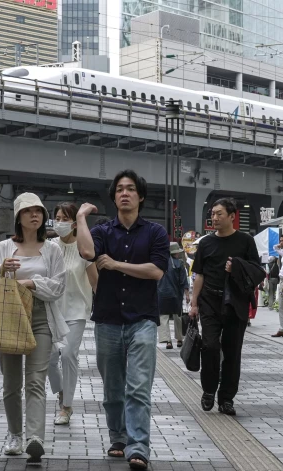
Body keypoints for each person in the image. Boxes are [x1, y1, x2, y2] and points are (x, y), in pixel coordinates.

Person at [77, 170, 170, 470]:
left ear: (140, 196)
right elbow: (87, 251)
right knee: (113, 387)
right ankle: (118, 437)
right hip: (107, 318)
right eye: (119, 190)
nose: (124, 194)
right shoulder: (103, 231)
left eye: (130, 189)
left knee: (139, 386)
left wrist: (117, 264)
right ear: (114, 196)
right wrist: (81, 218)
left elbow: (156, 271)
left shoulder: (155, 232)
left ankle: (139, 446)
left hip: (142, 318)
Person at [0, 193, 67, 464]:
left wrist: (32, 283)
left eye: (38, 211)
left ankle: (35, 437)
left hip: (40, 316)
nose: (34, 215)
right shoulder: (4, 247)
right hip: (9, 316)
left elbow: (58, 286)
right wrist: (2, 270)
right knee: (11, 382)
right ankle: (14, 435)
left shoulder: (53, 249)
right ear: (18, 217)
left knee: (36, 379)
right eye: (28, 211)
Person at [190, 198, 261, 417]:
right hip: (210, 301)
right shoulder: (205, 243)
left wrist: (238, 267)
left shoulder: (245, 241)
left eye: (219, 213)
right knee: (210, 346)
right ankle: (209, 390)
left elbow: (257, 271)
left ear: (232, 216)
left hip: (235, 302)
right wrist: (193, 303)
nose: (215, 217)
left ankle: (227, 398)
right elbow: (199, 274)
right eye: (212, 213)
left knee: (232, 352)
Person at [47, 202, 98, 426]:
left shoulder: (84, 249)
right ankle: (60, 391)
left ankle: (66, 406)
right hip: (51, 309)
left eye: (64, 218)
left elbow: (96, 282)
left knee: (68, 355)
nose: (59, 222)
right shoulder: (49, 246)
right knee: (48, 360)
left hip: (77, 310)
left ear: (75, 223)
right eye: (57, 217)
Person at [158, 242, 190, 349]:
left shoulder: (160, 263)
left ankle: (168, 341)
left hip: (162, 294)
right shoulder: (179, 264)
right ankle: (180, 339)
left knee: (163, 317)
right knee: (178, 317)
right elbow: (183, 281)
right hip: (176, 295)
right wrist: (187, 294)